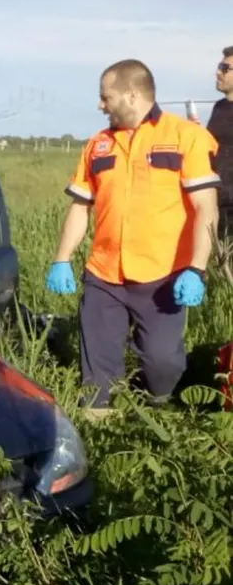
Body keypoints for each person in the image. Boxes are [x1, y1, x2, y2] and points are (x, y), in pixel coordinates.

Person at [45, 59, 221, 417]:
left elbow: (207, 208)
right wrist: (62, 258)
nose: (100, 105)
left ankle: (152, 409)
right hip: (104, 275)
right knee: (97, 372)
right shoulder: (98, 145)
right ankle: (98, 431)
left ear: (131, 94)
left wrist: (197, 269)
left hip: (162, 276)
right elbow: (80, 207)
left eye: (104, 96)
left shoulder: (185, 136)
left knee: (162, 365)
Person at [204, 45, 233, 238]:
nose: (218, 73)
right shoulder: (219, 107)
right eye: (219, 67)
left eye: (225, 68)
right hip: (217, 202)